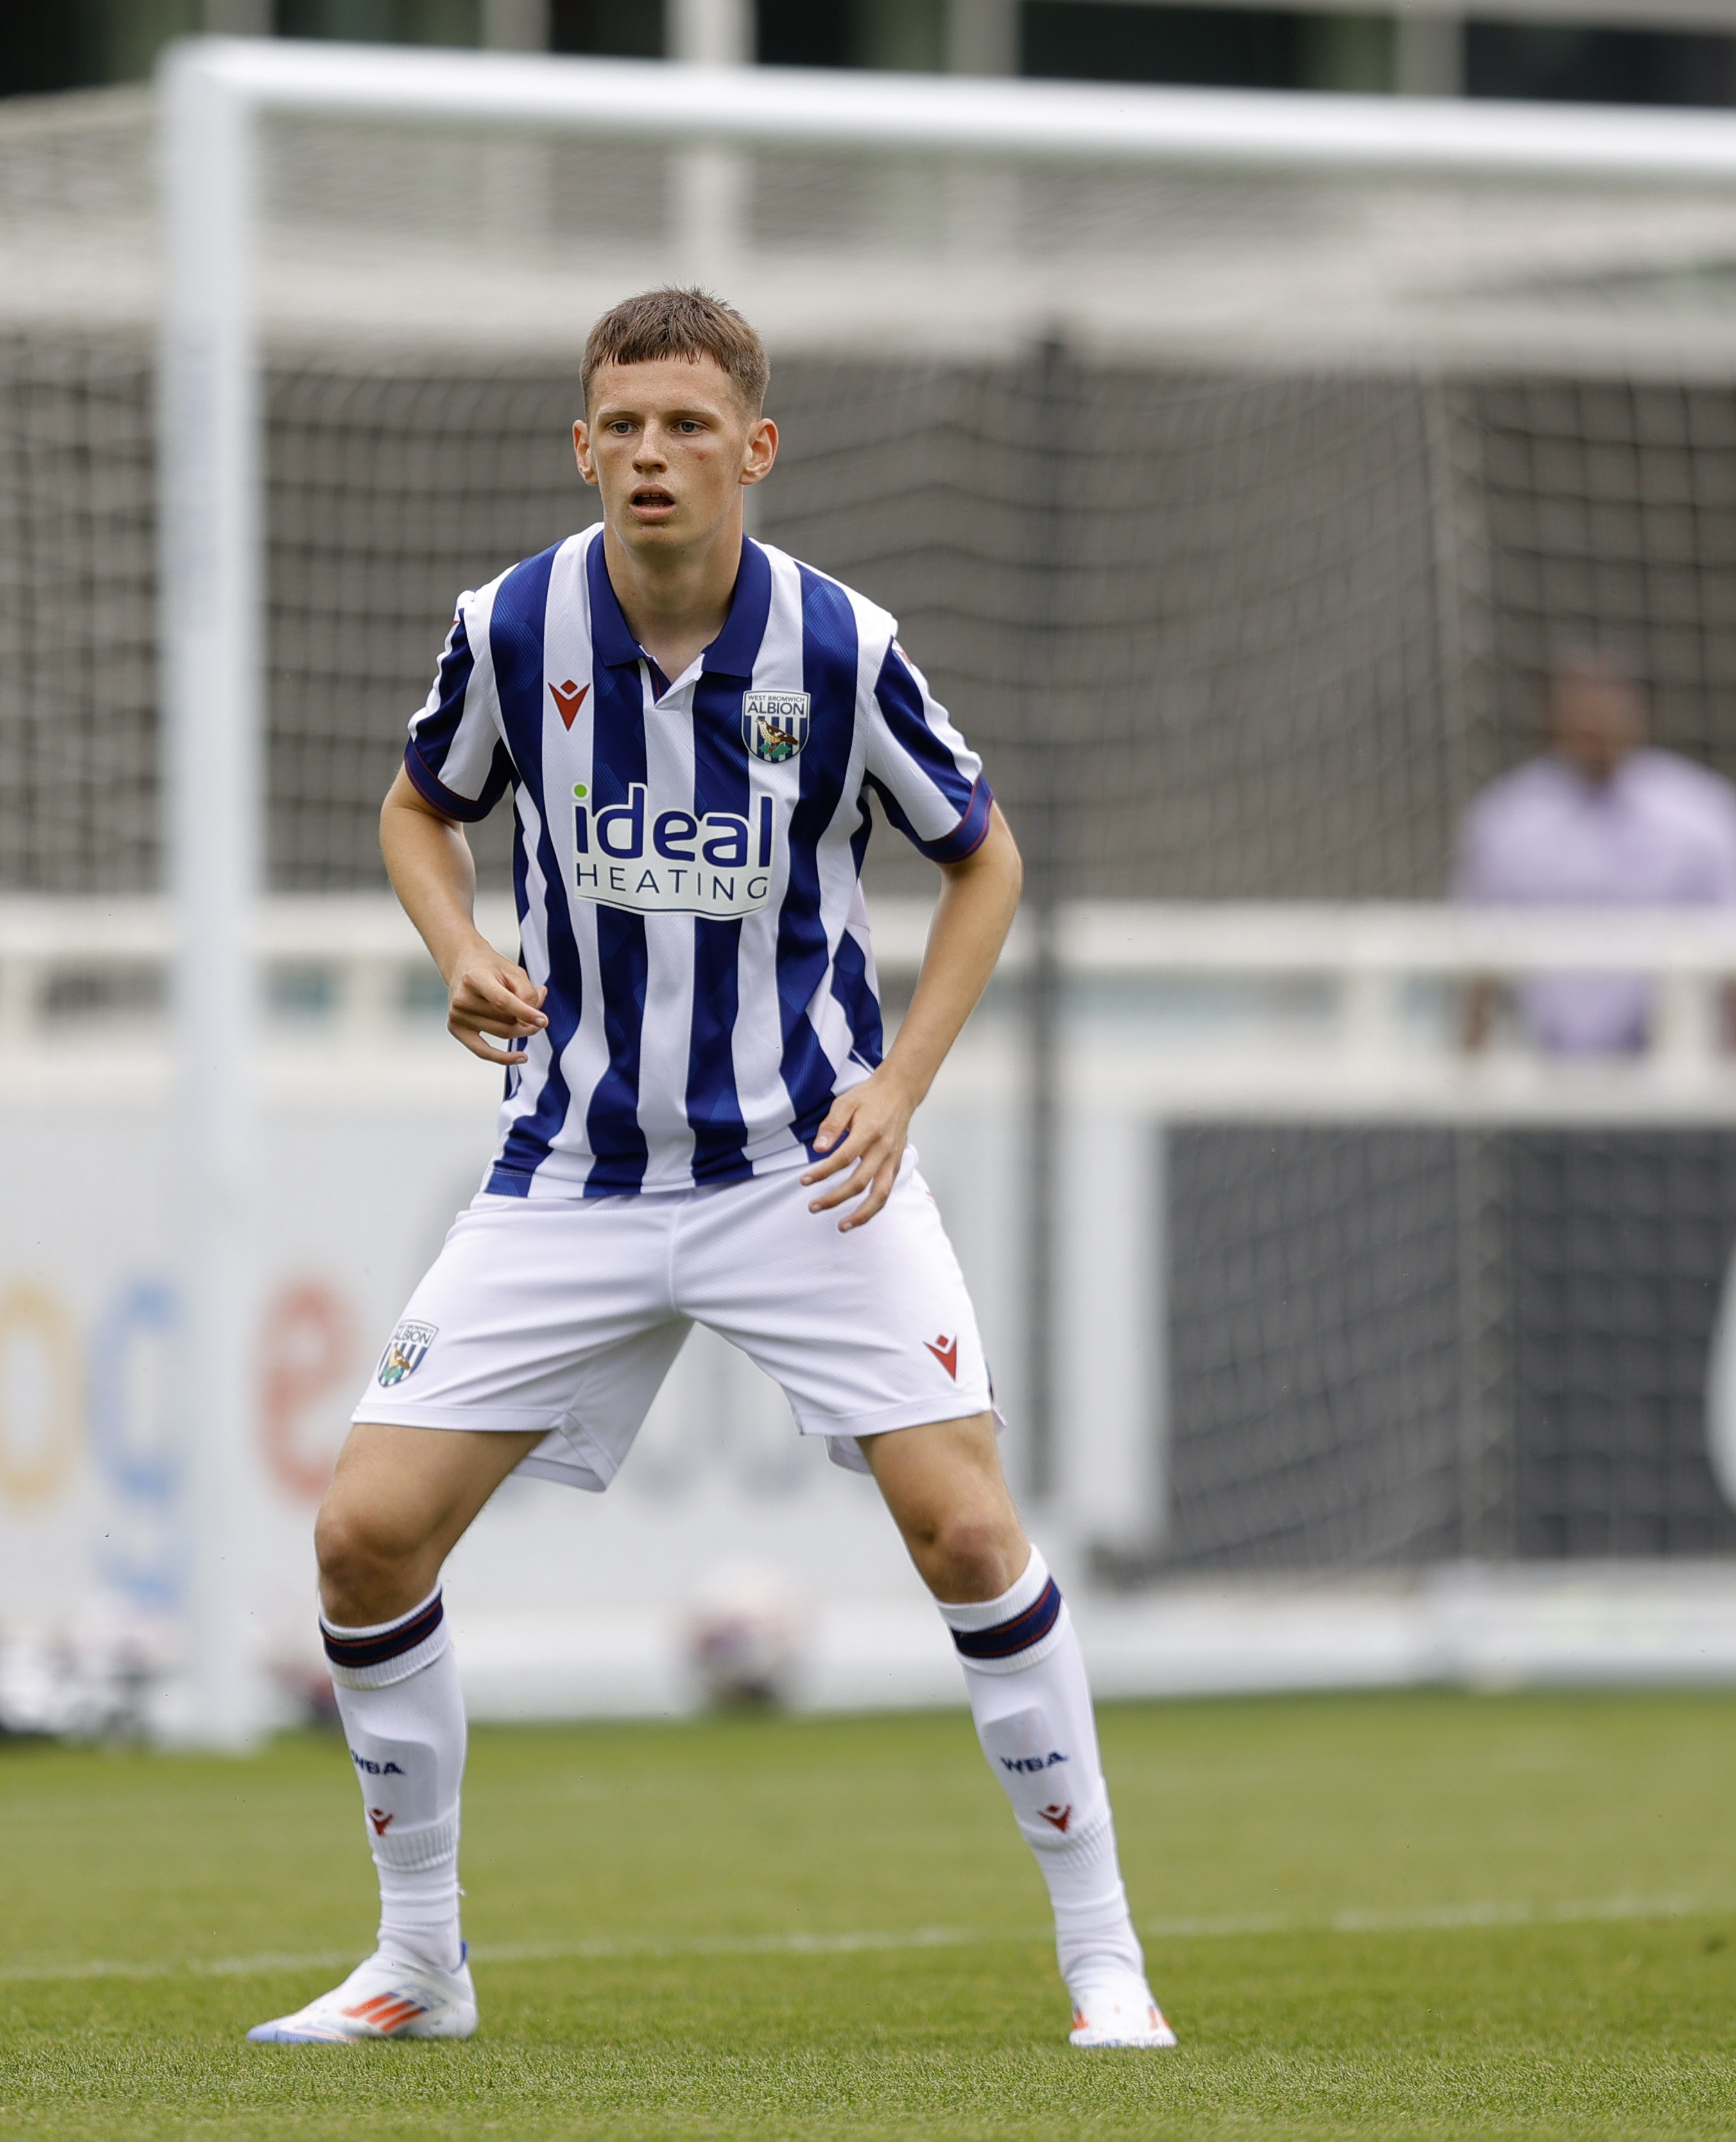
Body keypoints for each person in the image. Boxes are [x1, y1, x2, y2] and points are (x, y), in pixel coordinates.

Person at [245, 289, 1174, 2051]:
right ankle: (417, 1959)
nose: (648, 455)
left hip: (796, 1173)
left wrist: (900, 1082)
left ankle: (1102, 1959)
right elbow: (412, 806)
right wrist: (450, 943)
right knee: (362, 1537)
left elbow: (981, 860)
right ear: (578, 444)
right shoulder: (510, 625)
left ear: (751, 451)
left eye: (685, 426)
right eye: (620, 425)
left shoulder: (836, 645)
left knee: (964, 1527)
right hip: (570, 1175)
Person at [1453, 650, 1736, 1055]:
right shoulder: (1507, 820)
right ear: (1550, 720)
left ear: (1638, 714)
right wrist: (1467, 1080)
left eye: (1606, 708)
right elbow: (1475, 956)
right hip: (1546, 1055)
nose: (1593, 722)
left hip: (1671, 1059)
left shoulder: (1703, 816)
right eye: (1579, 710)